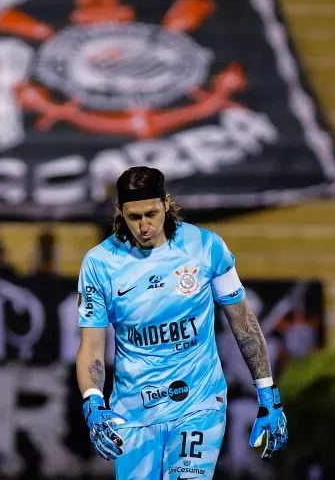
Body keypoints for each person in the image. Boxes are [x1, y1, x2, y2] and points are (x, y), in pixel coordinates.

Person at [75, 166, 288, 479]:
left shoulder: (207, 248)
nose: (144, 226)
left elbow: (243, 322)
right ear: (120, 212)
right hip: (133, 412)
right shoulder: (99, 264)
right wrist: (93, 402)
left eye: (151, 213)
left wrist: (268, 394)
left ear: (166, 203)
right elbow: (92, 346)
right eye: (134, 217)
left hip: (198, 403)